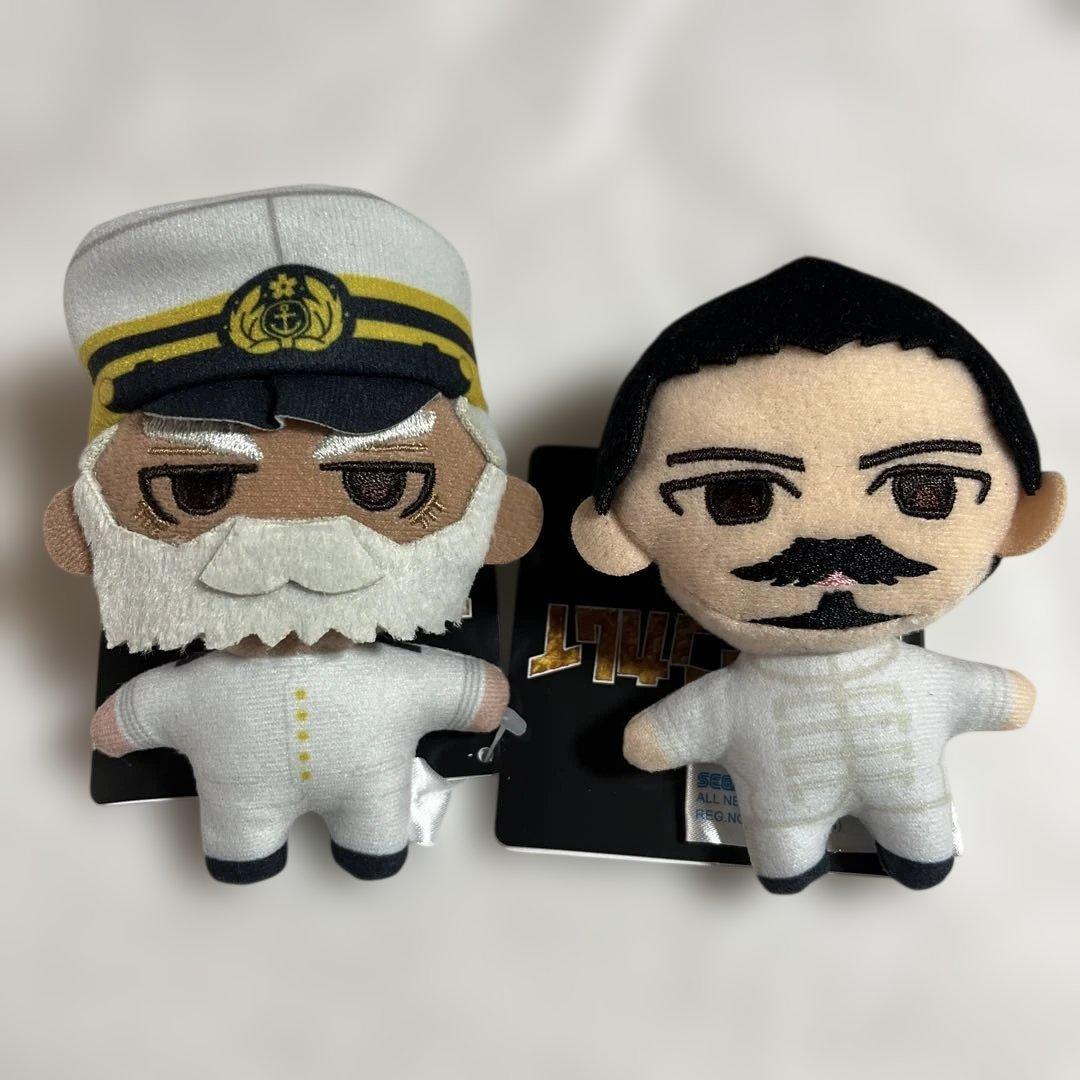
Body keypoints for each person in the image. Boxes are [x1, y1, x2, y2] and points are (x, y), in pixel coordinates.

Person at [571, 257, 1064, 892]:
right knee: (786, 846)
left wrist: (1003, 698)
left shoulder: (904, 682)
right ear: (619, 539)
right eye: (738, 496)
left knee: (914, 834)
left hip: (904, 800)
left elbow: (655, 741)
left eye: (923, 489)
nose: (834, 543)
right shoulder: (750, 697)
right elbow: (655, 740)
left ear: (1020, 519)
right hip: (782, 813)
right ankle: (798, 863)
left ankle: (908, 852)